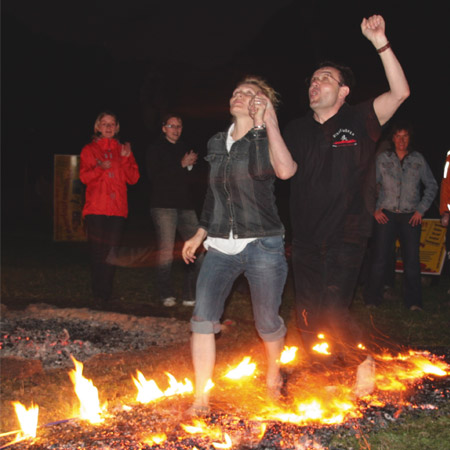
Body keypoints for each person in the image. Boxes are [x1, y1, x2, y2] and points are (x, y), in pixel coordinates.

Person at [280, 15, 410, 360]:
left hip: (346, 235)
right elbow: (280, 170)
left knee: (333, 312)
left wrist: (380, 42)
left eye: (325, 78)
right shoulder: (295, 129)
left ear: (343, 91)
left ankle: (361, 362)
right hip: (306, 238)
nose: (315, 83)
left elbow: (401, 92)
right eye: (312, 79)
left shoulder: (360, 119)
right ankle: (317, 375)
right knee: (306, 315)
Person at [182, 75, 296, 414]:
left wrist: (263, 126)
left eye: (249, 93)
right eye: (236, 91)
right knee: (202, 318)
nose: (239, 95)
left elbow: (270, 171)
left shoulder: (262, 137)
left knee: (266, 321)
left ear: (260, 103)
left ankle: (273, 377)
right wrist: (200, 233)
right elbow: (212, 193)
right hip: (219, 245)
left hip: (262, 243)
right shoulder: (216, 142)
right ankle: (201, 398)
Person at [364, 122, 437, 311]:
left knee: (412, 261)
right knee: (379, 259)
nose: (402, 140)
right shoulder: (382, 159)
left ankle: (414, 302)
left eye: (405, 136)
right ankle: (372, 299)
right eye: (398, 136)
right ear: (393, 138)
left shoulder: (418, 159)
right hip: (385, 215)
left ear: (409, 138)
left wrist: (421, 210)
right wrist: (374, 210)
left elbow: (432, 185)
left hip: (410, 217)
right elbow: (369, 186)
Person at [80, 111, 140, 307]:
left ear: (116, 127)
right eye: (104, 124)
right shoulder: (89, 149)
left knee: (111, 253)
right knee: (97, 251)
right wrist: (100, 168)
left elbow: (133, 178)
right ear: (97, 126)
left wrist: (125, 157)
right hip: (96, 208)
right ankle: (98, 293)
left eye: (111, 124)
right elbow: (84, 177)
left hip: (117, 209)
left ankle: (105, 294)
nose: (108, 127)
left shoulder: (123, 149)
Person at [146, 114, 202, 307]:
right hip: (163, 206)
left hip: (185, 205)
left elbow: (189, 180)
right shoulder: (155, 149)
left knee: (197, 248)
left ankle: (189, 293)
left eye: (179, 126)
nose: (176, 129)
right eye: (172, 126)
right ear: (164, 128)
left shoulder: (184, 147)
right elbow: (155, 176)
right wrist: (181, 165)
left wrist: (189, 167)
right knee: (166, 251)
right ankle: (165, 293)